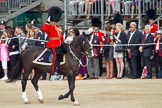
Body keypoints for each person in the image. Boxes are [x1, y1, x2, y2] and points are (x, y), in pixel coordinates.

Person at [42, 6, 64, 80]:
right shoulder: (49, 26)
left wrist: (63, 43)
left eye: (54, 21)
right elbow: (44, 29)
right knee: (55, 55)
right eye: (53, 21)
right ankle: (54, 71)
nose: (54, 22)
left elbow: (61, 37)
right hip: (53, 44)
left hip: (60, 44)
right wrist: (47, 21)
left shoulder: (58, 27)